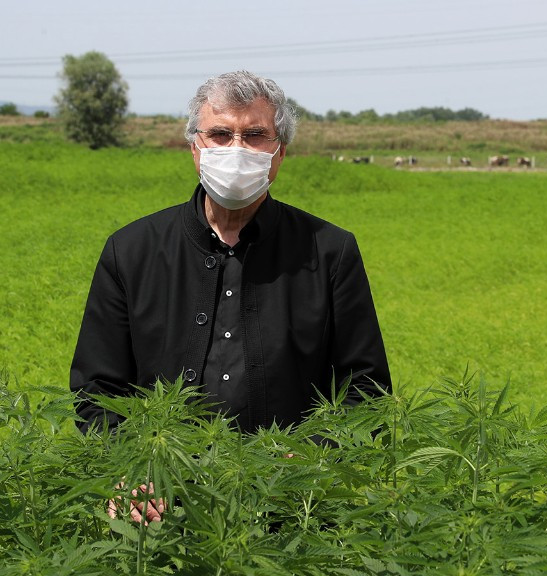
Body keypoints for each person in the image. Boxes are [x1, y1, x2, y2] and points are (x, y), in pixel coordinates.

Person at [70, 70, 392, 434]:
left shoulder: (330, 252)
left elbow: (366, 391)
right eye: (220, 135)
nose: (236, 149)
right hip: (161, 484)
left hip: (286, 486)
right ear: (195, 148)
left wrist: (305, 461)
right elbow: (96, 390)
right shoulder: (130, 252)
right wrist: (136, 473)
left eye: (254, 135)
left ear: (280, 153)